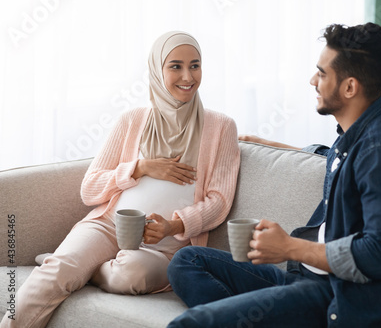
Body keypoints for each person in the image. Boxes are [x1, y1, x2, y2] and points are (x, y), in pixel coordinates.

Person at [166, 23, 381, 328]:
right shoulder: (357, 137)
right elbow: (344, 165)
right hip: (305, 277)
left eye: (322, 73)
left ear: (349, 87)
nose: (313, 81)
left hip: (338, 297)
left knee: (190, 324)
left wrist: (289, 247)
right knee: (187, 260)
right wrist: (276, 146)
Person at [0, 31, 240, 328]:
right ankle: (70, 269)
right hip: (109, 225)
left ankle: (90, 269)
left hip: (165, 244)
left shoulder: (221, 127)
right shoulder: (132, 119)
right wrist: (139, 168)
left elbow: (219, 200)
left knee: (131, 275)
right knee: (57, 271)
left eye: (195, 65)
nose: (187, 76)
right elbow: (90, 189)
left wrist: (175, 225)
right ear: (156, 70)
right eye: (175, 66)